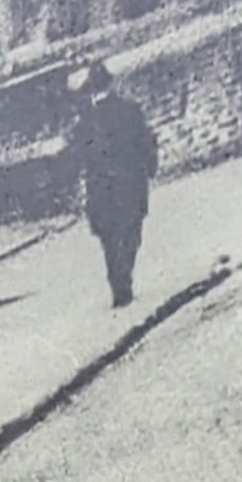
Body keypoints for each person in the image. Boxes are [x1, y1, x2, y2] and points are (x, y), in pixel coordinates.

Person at [67, 63, 156, 308]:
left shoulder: (85, 121)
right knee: (131, 231)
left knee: (109, 235)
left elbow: (77, 155)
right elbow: (146, 142)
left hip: (100, 187)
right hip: (130, 182)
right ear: (111, 84)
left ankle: (117, 280)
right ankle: (123, 276)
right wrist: (150, 167)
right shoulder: (130, 110)